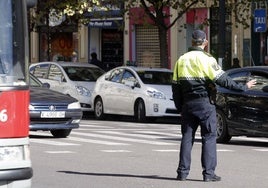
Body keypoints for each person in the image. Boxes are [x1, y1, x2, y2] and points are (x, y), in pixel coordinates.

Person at [173, 29, 256, 182]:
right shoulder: (207, 59)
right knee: (209, 138)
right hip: (205, 103)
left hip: (187, 105)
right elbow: (223, 79)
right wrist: (244, 87)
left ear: (192, 42)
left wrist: (180, 107)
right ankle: (208, 174)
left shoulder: (181, 60)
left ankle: (182, 173)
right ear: (204, 42)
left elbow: (175, 86)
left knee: (186, 138)